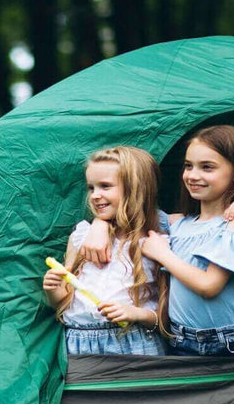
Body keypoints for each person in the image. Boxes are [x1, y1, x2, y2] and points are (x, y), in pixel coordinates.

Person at [140, 125, 234, 357]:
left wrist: (162, 254)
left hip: (233, 343)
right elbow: (127, 214)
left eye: (207, 167)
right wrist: (99, 226)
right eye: (188, 166)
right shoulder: (180, 223)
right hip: (181, 339)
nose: (193, 175)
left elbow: (209, 286)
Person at [42, 146, 168, 356]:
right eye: (91, 188)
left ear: (135, 189)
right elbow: (64, 300)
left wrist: (137, 314)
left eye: (105, 186)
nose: (95, 195)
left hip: (134, 341)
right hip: (78, 342)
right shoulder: (82, 235)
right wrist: (53, 289)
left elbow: (167, 316)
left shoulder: (155, 241)